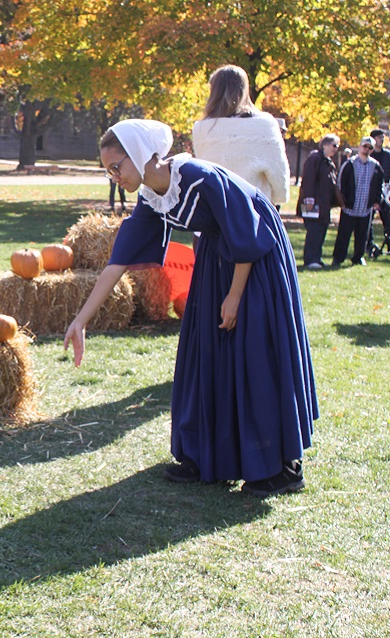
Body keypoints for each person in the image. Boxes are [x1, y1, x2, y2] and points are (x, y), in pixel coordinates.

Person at [64, 119, 317, 497]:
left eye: (118, 166)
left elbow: (246, 230)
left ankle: (281, 466)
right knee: (207, 349)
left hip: (256, 256)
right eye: (108, 171)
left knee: (254, 351)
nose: (114, 176)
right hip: (219, 256)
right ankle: (209, 456)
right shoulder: (151, 195)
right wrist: (80, 320)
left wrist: (234, 296)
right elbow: (117, 263)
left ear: (141, 155)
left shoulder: (197, 176)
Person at [192, 65, 290, 207]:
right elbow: (279, 178)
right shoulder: (265, 124)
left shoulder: (201, 128)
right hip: (254, 211)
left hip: (214, 211)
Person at [332, 136, 383, 266]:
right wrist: (342, 202)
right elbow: (340, 183)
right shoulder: (350, 164)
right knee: (343, 235)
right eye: (365, 146)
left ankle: (358, 257)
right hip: (349, 207)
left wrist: (377, 201)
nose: (366, 149)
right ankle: (338, 258)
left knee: (362, 236)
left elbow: (378, 186)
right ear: (360, 146)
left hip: (365, 208)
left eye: (370, 148)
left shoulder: (375, 166)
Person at [296, 134, 342, 269]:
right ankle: (310, 260)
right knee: (314, 230)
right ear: (325, 145)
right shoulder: (314, 159)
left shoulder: (327, 162)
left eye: (337, 146)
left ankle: (317, 258)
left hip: (324, 205)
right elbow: (308, 180)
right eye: (334, 145)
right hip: (312, 204)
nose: (336, 149)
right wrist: (309, 200)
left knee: (322, 230)